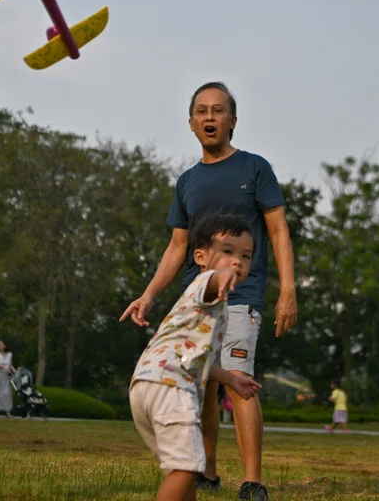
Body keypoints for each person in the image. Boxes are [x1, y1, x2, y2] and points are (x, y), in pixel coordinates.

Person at [121, 82, 297, 501]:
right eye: (201, 111)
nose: (210, 117)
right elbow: (177, 247)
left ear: (233, 121)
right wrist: (147, 295)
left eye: (218, 111)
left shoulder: (255, 169)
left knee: (239, 380)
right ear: (191, 123)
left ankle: (253, 482)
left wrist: (286, 289)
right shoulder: (187, 182)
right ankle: (207, 471)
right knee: (201, 382)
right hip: (196, 300)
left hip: (243, 296)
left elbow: (277, 229)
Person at [130, 213, 263, 501]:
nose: (237, 261)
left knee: (185, 469)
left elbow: (197, 357)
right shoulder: (206, 285)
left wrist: (231, 379)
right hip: (170, 386)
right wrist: (223, 274)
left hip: (147, 385)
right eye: (227, 251)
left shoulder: (207, 311)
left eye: (245, 255)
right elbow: (217, 278)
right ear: (200, 256)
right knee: (186, 468)